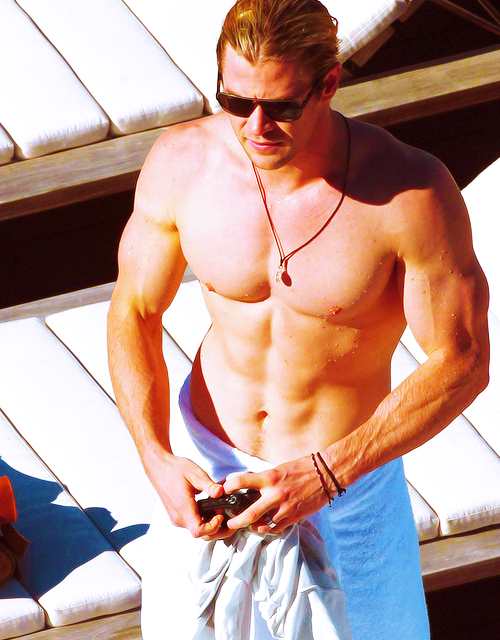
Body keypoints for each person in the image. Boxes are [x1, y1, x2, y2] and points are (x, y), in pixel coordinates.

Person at [107, 1, 490, 638]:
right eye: (236, 102)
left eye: (281, 106)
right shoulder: (183, 164)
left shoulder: (410, 194)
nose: (256, 126)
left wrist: (327, 473)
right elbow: (135, 310)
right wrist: (154, 455)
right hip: (207, 483)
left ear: (329, 84)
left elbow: (464, 361)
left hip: (344, 492)